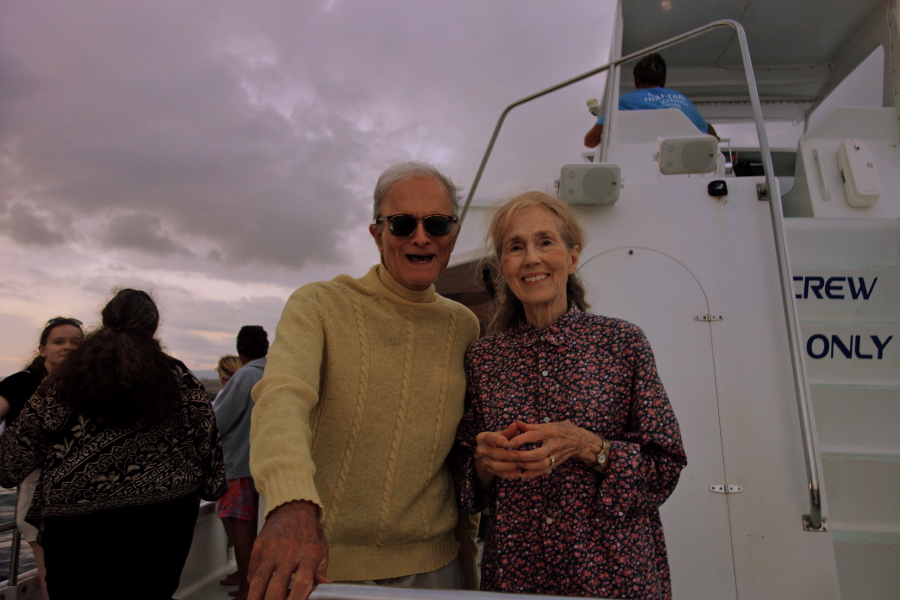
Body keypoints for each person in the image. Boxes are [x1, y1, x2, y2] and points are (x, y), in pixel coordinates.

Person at [248, 161, 481, 600]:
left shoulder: (464, 326)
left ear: (453, 232)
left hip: (437, 568)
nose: (420, 236)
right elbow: (282, 398)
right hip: (325, 569)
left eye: (436, 223)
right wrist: (291, 503)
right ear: (377, 233)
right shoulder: (318, 305)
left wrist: (468, 567)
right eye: (401, 224)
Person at [451, 192, 687, 599]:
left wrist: (587, 445)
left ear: (572, 258)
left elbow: (664, 467)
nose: (531, 259)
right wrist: (484, 461)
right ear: (503, 267)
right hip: (516, 577)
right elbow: (463, 480)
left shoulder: (621, 343)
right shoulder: (484, 358)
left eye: (546, 242)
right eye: (515, 247)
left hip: (612, 574)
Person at [0, 289, 226, 600]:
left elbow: (15, 458)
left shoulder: (65, 379)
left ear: (107, 321)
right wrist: (212, 487)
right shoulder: (179, 377)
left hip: (77, 526)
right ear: (153, 326)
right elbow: (206, 438)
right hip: (163, 521)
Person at [0, 317, 84, 600]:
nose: (68, 347)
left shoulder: (92, 386)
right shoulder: (22, 383)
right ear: (42, 349)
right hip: (37, 486)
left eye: (76, 342)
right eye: (59, 342)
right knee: (50, 567)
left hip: (83, 485)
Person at [214, 326, 269, 599]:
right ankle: (245, 574)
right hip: (260, 463)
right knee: (251, 524)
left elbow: (218, 420)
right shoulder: (271, 371)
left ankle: (248, 583)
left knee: (239, 523)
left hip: (238, 463)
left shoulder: (245, 375)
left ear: (240, 350)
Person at [584, 52, 718, 148]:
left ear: (636, 83)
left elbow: (589, 141)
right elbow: (709, 133)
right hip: (683, 170)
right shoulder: (683, 100)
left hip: (635, 166)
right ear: (664, 82)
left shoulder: (623, 102)